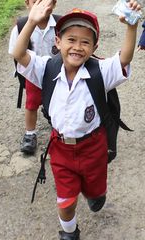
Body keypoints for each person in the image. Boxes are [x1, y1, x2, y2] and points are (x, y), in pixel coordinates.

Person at [12, 0, 142, 239]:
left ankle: (95, 193)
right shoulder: (46, 69)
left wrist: (131, 26)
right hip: (61, 149)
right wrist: (31, 21)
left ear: (94, 47)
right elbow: (19, 54)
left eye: (85, 42)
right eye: (71, 39)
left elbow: (124, 58)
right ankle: (69, 232)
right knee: (66, 200)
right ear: (58, 41)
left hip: (93, 148)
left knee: (95, 190)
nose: (78, 47)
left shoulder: (100, 72)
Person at [8, 0, 59, 154]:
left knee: (57, 101)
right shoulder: (21, 26)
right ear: (27, 4)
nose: (42, 5)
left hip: (56, 74)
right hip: (33, 74)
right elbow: (14, 51)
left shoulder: (60, 24)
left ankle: (58, 128)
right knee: (31, 104)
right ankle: (30, 133)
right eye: (36, 1)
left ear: (54, 4)